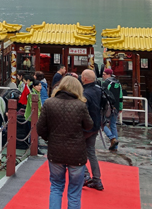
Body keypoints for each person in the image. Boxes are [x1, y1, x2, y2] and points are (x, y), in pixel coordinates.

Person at [37, 76, 93, 209]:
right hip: (76, 152)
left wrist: (48, 137)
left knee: (56, 187)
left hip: (56, 150)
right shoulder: (80, 105)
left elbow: (40, 127)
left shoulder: (49, 103)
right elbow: (89, 125)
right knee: (74, 191)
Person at [81, 69, 104, 191]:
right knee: (91, 152)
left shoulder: (85, 93)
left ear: (84, 78)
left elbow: (83, 111)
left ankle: (84, 175)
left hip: (86, 127)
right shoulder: (99, 90)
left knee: (78, 150)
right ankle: (97, 180)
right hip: (96, 125)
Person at [101, 68, 123, 151]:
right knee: (113, 125)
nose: (103, 76)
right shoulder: (118, 83)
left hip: (108, 107)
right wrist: (120, 107)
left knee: (102, 123)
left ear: (108, 74)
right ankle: (115, 146)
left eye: (104, 74)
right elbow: (121, 96)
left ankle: (112, 138)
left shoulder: (106, 83)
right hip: (116, 107)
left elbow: (103, 95)